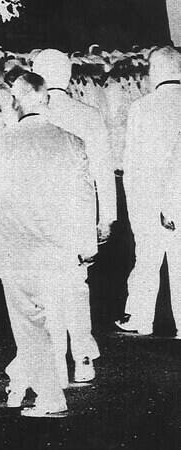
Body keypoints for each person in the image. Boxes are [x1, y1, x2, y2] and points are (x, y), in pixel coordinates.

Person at [0, 72, 97, 415]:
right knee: (54, 316)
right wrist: (87, 243)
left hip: (17, 247)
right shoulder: (72, 142)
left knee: (30, 325)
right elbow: (84, 196)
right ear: (46, 100)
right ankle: (32, 379)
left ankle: (49, 396)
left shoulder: (1, 142)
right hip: (59, 245)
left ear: (14, 101)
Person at [31, 49, 103, 383]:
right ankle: (83, 356)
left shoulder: (30, 116)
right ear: (69, 74)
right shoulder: (88, 115)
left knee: (47, 289)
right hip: (78, 213)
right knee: (76, 286)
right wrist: (107, 216)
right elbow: (102, 170)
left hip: (40, 216)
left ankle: (57, 362)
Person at [121, 46, 181, 335]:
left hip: (149, 196)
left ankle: (141, 318)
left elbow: (132, 162)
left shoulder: (142, 107)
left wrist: (134, 201)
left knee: (146, 259)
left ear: (156, 71)